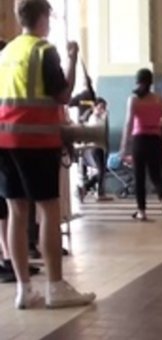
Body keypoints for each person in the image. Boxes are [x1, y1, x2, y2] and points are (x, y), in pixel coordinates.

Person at [0, 0, 95, 309]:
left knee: (17, 212)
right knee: (49, 210)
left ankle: (24, 290)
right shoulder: (44, 51)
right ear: (43, 17)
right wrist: (72, 58)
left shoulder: (7, 52)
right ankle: (56, 286)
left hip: (4, 141)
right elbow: (64, 95)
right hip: (35, 142)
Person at [119, 69, 162, 221]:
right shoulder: (159, 99)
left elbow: (128, 123)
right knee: (156, 175)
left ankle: (141, 211)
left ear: (137, 82)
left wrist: (124, 147)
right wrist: (157, 123)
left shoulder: (134, 99)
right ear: (151, 83)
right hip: (155, 140)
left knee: (139, 176)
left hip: (139, 141)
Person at [77, 98, 112, 202]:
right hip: (96, 147)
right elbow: (98, 129)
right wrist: (104, 115)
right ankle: (97, 192)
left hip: (102, 147)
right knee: (101, 170)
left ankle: (85, 189)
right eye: (101, 107)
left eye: (104, 107)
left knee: (103, 171)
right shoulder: (94, 118)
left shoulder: (101, 117)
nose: (103, 109)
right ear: (95, 107)